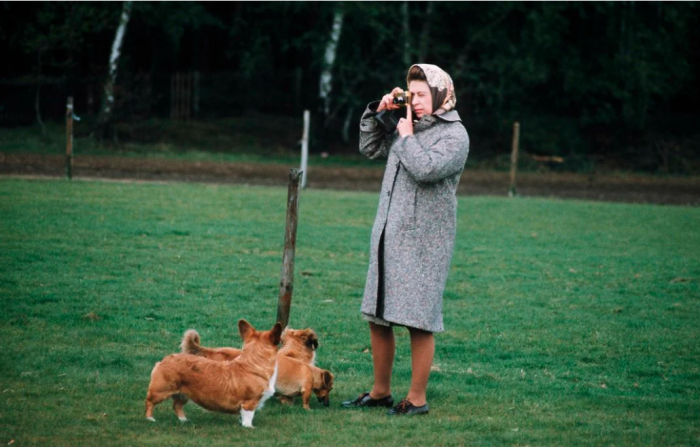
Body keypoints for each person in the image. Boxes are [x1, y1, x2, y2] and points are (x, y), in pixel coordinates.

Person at [341, 64, 470, 416]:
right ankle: (380, 391)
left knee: (418, 320)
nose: (416, 102)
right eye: (412, 95)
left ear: (442, 94)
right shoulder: (405, 123)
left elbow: (426, 170)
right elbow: (369, 148)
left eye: (423, 95)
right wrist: (379, 113)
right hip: (388, 233)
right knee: (378, 315)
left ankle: (416, 399)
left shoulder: (454, 135)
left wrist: (408, 134)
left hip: (425, 241)